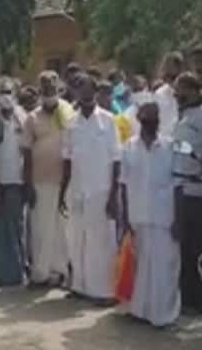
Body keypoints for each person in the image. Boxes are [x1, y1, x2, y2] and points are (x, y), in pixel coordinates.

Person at [59, 74, 121, 306]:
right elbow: (67, 160)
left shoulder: (109, 121)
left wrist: (114, 195)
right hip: (76, 190)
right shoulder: (71, 123)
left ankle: (104, 292)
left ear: (95, 92)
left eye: (88, 90)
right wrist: (62, 193)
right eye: (79, 90)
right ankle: (79, 286)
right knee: (77, 239)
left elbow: (117, 160)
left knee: (101, 242)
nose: (84, 95)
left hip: (101, 191)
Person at [120, 102, 182, 327]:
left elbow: (178, 186)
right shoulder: (128, 147)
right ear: (138, 118)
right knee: (142, 266)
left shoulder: (170, 146)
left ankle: (165, 314)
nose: (149, 121)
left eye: (153, 117)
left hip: (165, 217)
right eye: (145, 117)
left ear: (159, 120)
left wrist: (179, 218)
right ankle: (141, 311)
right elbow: (124, 185)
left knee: (166, 266)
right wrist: (125, 217)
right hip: (139, 216)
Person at [22, 71, 73, 287]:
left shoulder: (68, 112)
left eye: (52, 90)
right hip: (40, 180)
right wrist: (28, 184)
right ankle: (40, 273)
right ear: (40, 92)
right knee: (41, 227)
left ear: (58, 89)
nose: (49, 94)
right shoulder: (32, 118)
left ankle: (60, 271)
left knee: (61, 229)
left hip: (65, 181)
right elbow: (26, 153)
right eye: (45, 90)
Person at [0, 78, 28, 286]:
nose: (6, 95)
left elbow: (26, 148)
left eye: (9, 92)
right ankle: (2, 274)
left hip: (17, 180)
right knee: (1, 228)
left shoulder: (21, 115)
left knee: (17, 227)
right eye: (2, 92)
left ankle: (18, 271)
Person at [173, 72, 202, 313]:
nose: (177, 95)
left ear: (194, 90)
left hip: (198, 191)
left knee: (196, 248)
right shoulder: (182, 116)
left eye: (181, 90)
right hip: (182, 189)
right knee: (184, 247)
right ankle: (188, 298)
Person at [156, 51, 184, 137]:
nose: (166, 70)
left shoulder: (192, 92)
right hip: (167, 143)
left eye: (170, 66)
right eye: (165, 67)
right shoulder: (160, 93)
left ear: (180, 68)